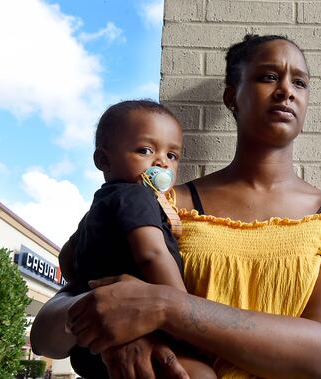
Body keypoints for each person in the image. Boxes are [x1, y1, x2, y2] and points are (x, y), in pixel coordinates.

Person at [31, 34, 321, 379]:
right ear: (232, 97)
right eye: (268, 76)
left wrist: (166, 307)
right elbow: (47, 331)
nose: (287, 90)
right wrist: (116, 332)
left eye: (300, 83)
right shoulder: (160, 202)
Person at [57, 100, 216, 378]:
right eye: (145, 150)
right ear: (104, 160)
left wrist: (86, 283)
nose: (161, 162)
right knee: (202, 374)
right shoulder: (136, 196)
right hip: (133, 332)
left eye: (172, 155)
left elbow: (66, 259)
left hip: (90, 342)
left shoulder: (99, 206)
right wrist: (186, 317)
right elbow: (152, 254)